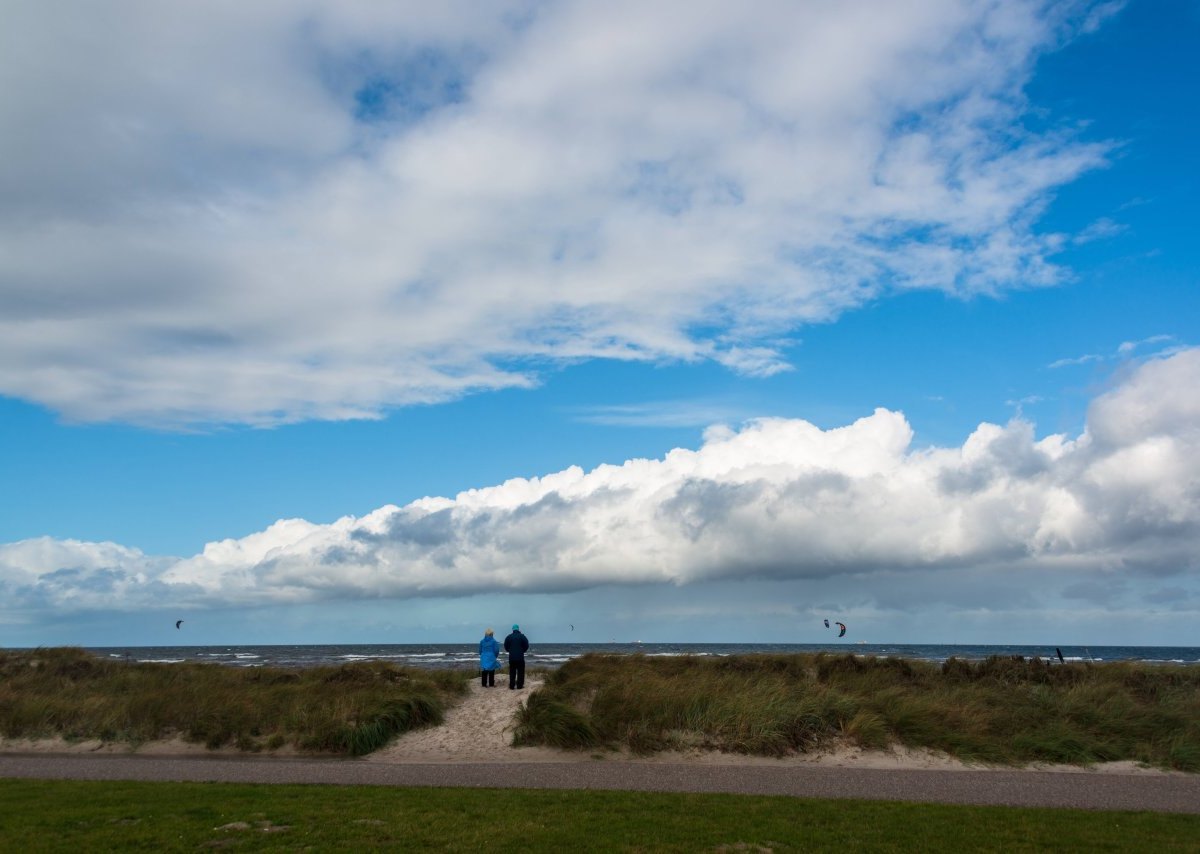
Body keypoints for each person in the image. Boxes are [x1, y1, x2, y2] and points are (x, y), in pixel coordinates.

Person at [503, 624, 529, 689]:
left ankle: (512, 686)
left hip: (512, 657)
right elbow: (527, 645)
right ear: (518, 629)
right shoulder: (522, 636)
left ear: (513, 629)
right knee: (520, 671)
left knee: (512, 671)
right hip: (520, 657)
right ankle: (519, 686)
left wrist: (509, 651)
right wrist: (523, 651)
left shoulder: (509, 637)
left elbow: (505, 646)